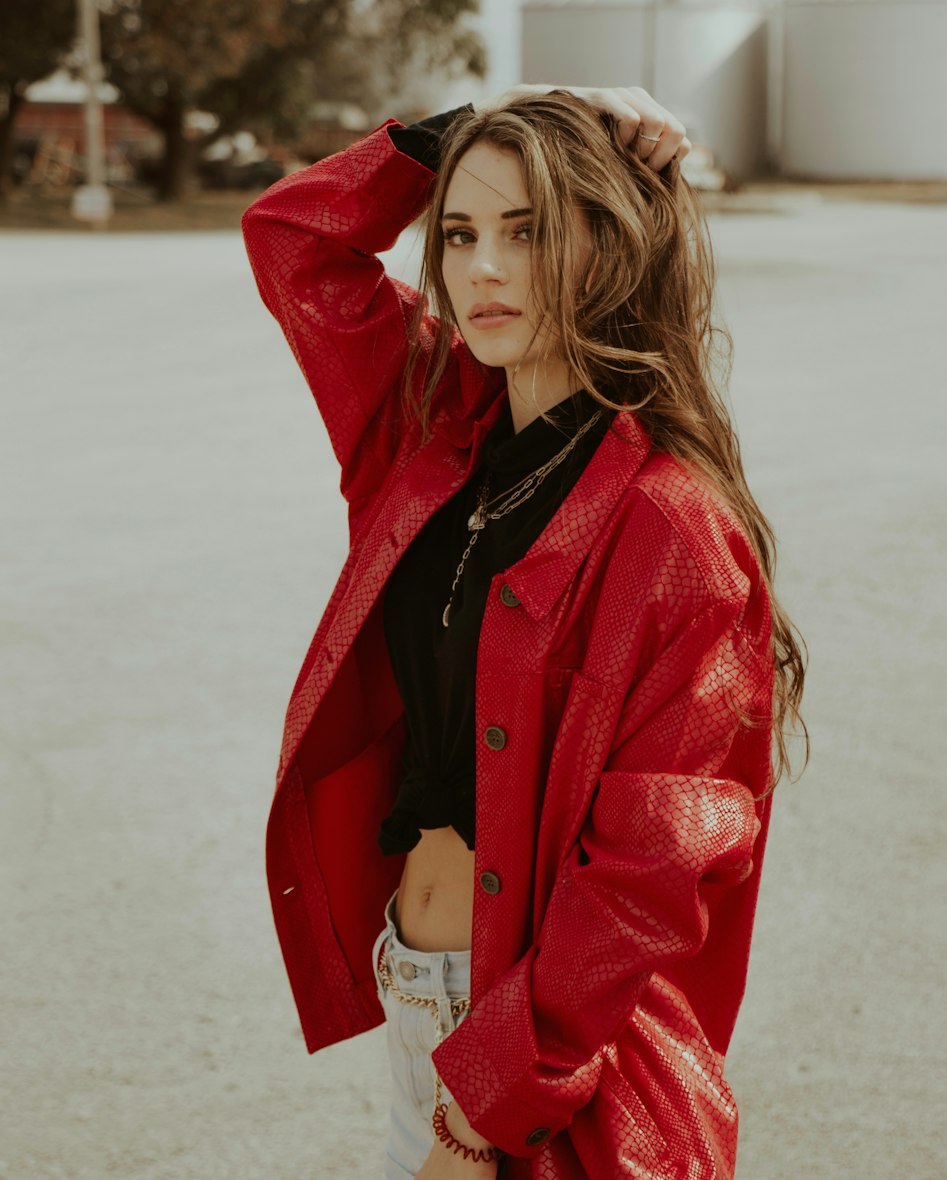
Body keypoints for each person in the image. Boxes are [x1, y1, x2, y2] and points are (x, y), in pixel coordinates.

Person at [241, 84, 808, 1179]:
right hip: (420, 990)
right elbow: (295, 243)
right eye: (458, 235)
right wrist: (455, 130)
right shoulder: (425, 432)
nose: (481, 270)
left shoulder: (673, 530)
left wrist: (482, 1113)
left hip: (548, 1060)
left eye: (529, 230)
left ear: (611, 247)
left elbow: (645, 872)